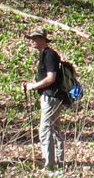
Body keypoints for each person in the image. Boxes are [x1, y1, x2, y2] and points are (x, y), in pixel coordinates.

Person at [21, 28, 64, 170]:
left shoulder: (49, 55)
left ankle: (50, 165)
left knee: (46, 130)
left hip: (50, 97)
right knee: (55, 130)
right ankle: (58, 162)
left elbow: (51, 78)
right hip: (52, 97)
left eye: (35, 38)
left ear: (43, 39)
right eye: (31, 38)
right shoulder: (45, 55)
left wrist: (33, 86)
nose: (32, 41)